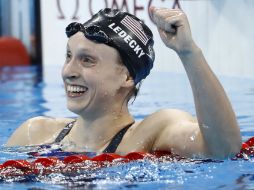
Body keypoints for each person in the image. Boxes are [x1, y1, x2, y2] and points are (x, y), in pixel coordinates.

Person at [6, 7, 241, 159]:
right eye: (69, 56)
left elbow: (224, 150)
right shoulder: (34, 132)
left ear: (127, 77)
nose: (69, 71)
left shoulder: (152, 132)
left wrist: (189, 53)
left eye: (87, 60)